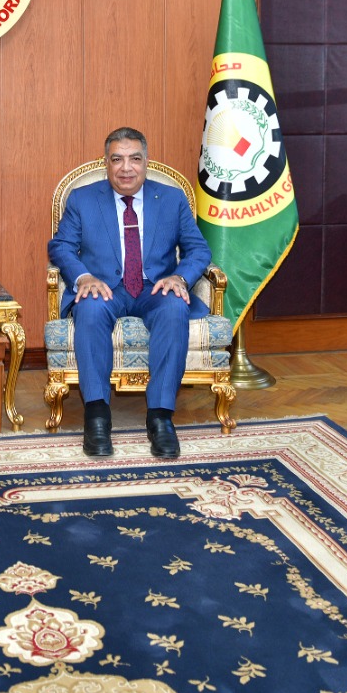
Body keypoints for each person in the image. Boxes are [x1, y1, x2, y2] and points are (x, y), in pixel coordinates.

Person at [48, 127, 213, 459]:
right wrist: (83, 277)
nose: (126, 168)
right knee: (89, 306)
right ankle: (97, 416)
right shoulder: (83, 199)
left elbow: (198, 249)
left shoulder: (172, 199)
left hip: (155, 287)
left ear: (146, 162)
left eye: (134, 159)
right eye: (117, 159)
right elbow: (61, 246)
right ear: (106, 163)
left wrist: (180, 277)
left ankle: (161, 418)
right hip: (104, 286)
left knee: (175, 307)